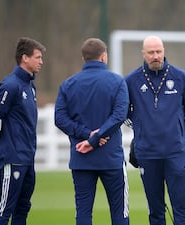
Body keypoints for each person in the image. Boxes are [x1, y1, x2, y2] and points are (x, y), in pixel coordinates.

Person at [54, 38, 130, 225]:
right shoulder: (117, 81)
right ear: (104, 57)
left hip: (81, 157)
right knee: (120, 213)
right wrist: (96, 137)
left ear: (84, 58)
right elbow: (120, 115)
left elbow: (60, 119)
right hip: (111, 158)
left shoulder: (68, 84)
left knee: (83, 213)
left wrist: (87, 135)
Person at [124, 35, 185, 225]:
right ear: (143, 54)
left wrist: (176, 127)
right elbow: (123, 112)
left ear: (163, 51)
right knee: (155, 210)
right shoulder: (131, 80)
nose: (155, 56)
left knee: (181, 207)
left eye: (158, 51)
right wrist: (141, 128)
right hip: (147, 154)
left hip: (175, 152)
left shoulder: (181, 77)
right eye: (151, 52)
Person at [0, 37, 45, 225]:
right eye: (38, 57)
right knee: (5, 210)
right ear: (24, 58)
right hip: (12, 158)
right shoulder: (10, 85)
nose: (41, 61)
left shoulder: (30, 86)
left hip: (28, 158)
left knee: (23, 208)